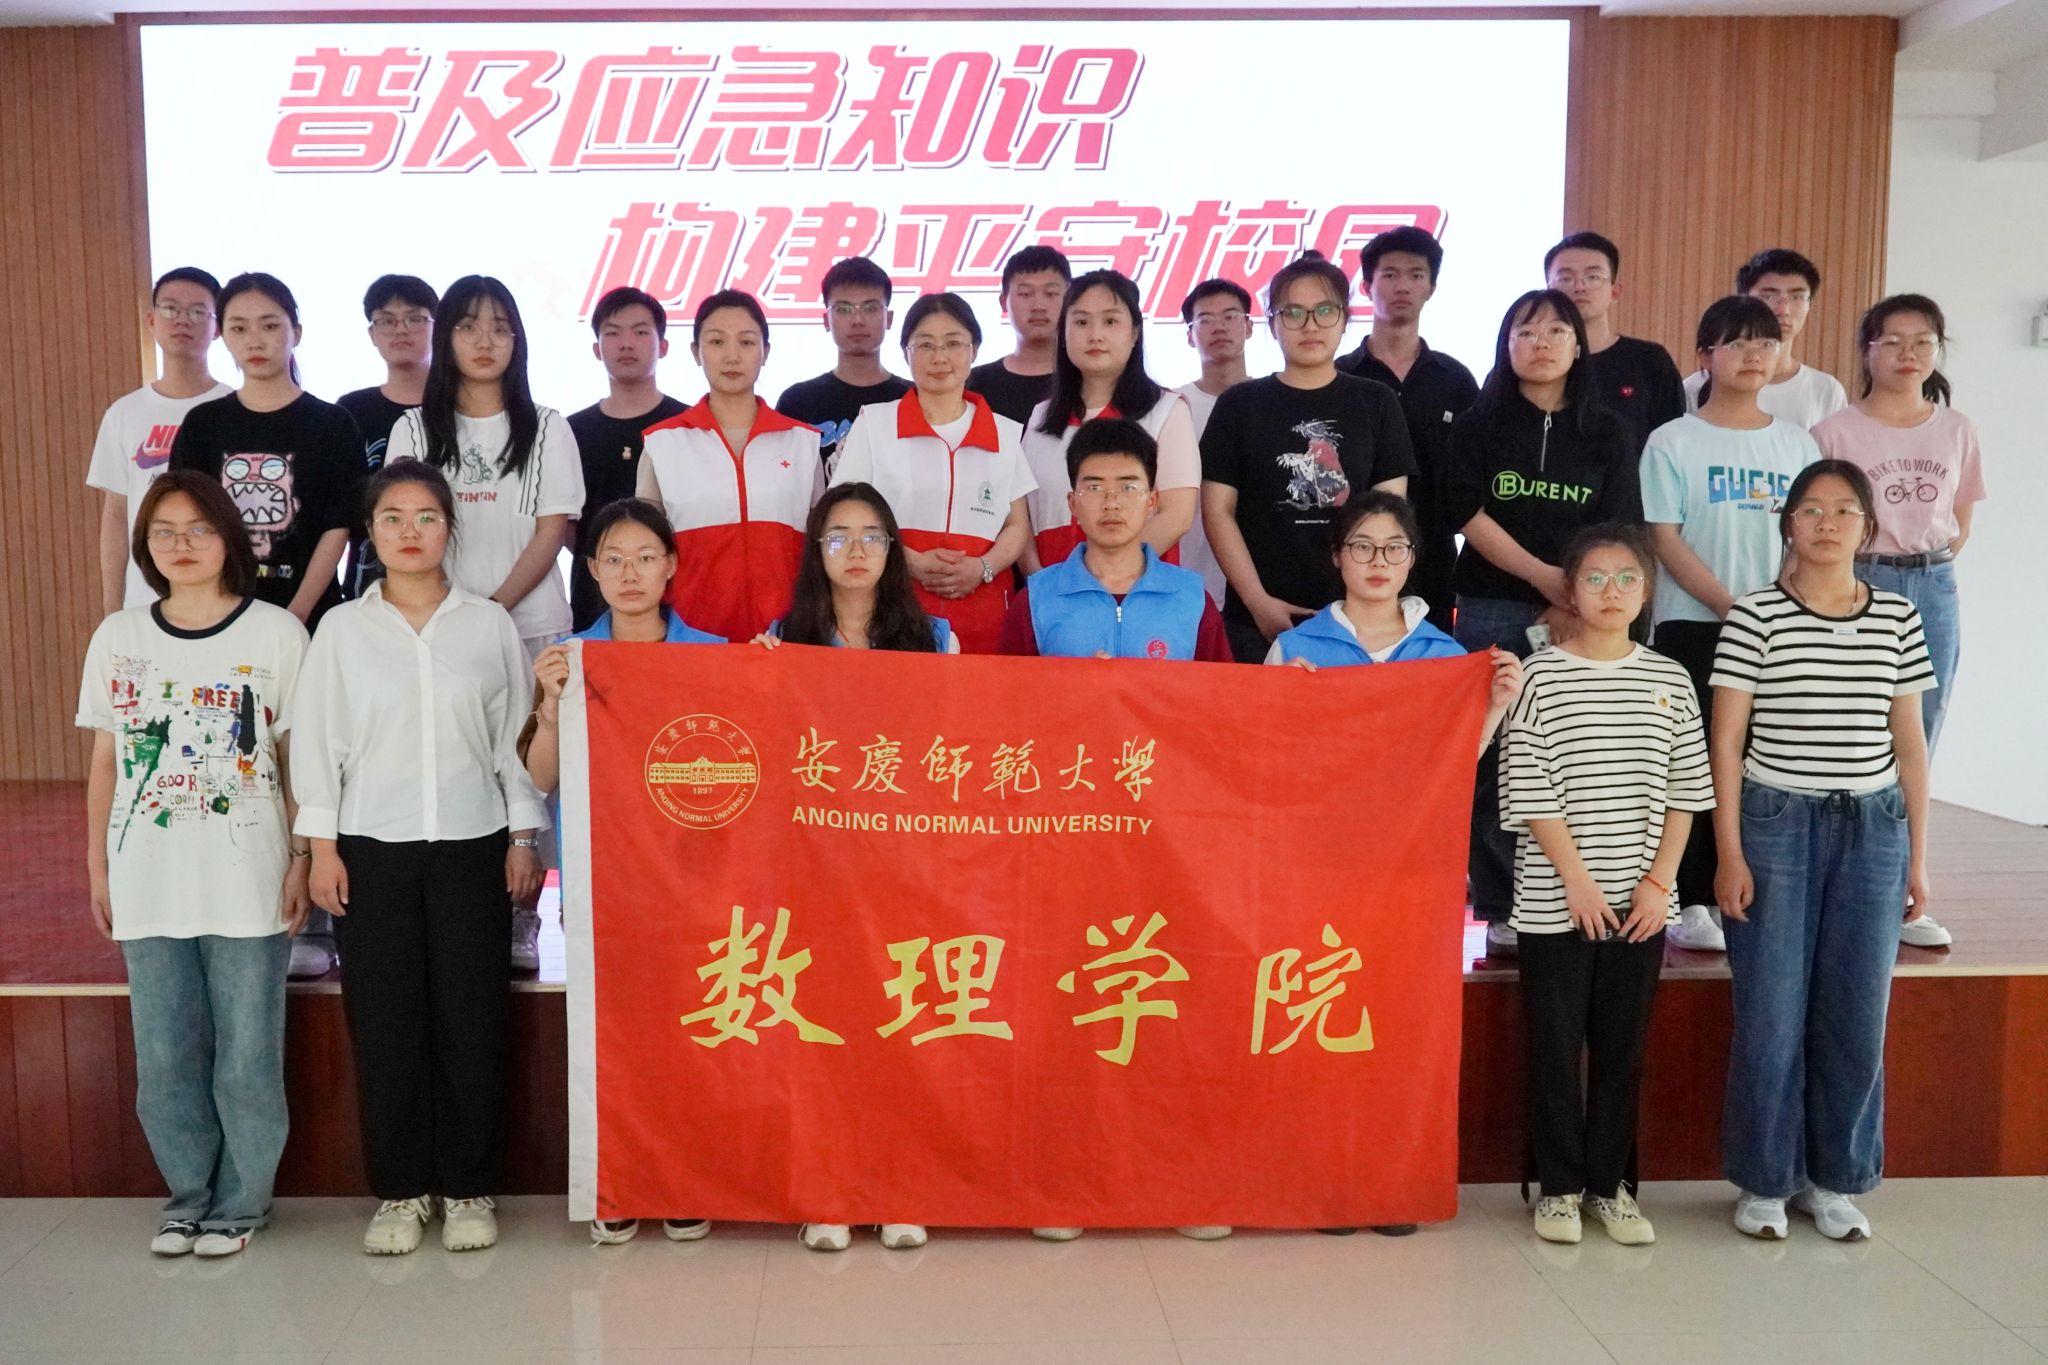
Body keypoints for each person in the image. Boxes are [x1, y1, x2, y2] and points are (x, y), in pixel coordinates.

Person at [294, 462, 547, 1257]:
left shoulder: (487, 624)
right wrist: (322, 848)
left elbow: (514, 740)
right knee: (386, 1022)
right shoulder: (341, 630)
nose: (410, 531)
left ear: (449, 527)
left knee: (474, 1020)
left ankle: (470, 1186)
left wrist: (523, 837)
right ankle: (402, 1190)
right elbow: (318, 741)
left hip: (474, 845)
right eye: (393, 517)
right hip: (371, 847)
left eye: (427, 516)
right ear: (370, 532)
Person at [77, 470, 310, 1259]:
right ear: (145, 545)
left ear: (229, 540)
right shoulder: (118, 637)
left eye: (199, 529)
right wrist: (98, 866)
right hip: (147, 877)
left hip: (249, 878)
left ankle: (242, 1203)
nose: (182, 545)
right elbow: (105, 763)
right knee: (167, 1055)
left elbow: (294, 759)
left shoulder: (277, 633)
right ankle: (186, 1198)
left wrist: (300, 857)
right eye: (164, 532)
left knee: (247, 1055)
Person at [1710, 460, 1934, 1243]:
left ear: (1867, 527)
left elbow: (1910, 743)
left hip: (1873, 827)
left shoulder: (1898, 617)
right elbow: (1726, 740)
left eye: (1844, 510)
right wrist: (1729, 851)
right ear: (1789, 524)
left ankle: (1835, 1178)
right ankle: (1766, 1180)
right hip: (1776, 822)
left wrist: (1917, 857)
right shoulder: (1755, 615)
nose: (1828, 523)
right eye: (1811, 509)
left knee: (1857, 1012)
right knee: (1771, 1013)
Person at [1499, 524, 1712, 1247]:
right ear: (1570, 589)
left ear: (1647, 592)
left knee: (1623, 1050)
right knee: (1556, 1047)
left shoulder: (1669, 679)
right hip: (1555, 901)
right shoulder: (1539, 676)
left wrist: (1658, 884)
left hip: (1642, 903)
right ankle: (1558, 1189)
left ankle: (1610, 1187)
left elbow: (1687, 788)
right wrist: (1578, 883)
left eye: (1626, 579)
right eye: (1594, 578)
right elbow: (1528, 787)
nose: (1610, 591)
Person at [754, 483, 952, 1252]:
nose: (857, 550)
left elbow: (961, 745)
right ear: (817, 552)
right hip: (816, 866)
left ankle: (899, 1185)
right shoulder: (785, 636)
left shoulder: (935, 639)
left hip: (906, 864)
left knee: (903, 1031)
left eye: (872, 535)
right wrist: (757, 676)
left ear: (893, 550)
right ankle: (828, 1191)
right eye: (839, 536)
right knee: (826, 1032)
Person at [520, 497, 720, 1247]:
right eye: (613, 559)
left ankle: (685, 1177)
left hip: (698, 879)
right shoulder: (570, 658)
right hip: (602, 880)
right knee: (614, 1039)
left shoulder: (713, 654)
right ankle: (617, 1180)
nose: (630, 573)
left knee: (693, 1035)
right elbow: (540, 776)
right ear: (592, 570)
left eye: (645, 557)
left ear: (671, 567)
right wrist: (549, 706)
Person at [385, 275, 583, 972]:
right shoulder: (414, 429)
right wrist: (457, 615)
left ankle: (526, 916)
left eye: (501, 328)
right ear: (447, 339)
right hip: (436, 631)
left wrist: (492, 608)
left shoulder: (548, 426)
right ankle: (466, 903)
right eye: (469, 327)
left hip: (531, 626)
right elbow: (405, 524)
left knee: (536, 768)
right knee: (459, 764)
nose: (485, 341)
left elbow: (553, 529)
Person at [1443, 290, 1641, 957]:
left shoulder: (1607, 431)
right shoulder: (1478, 424)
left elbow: (1617, 526)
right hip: (1492, 607)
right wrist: (1543, 578)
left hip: (1585, 613)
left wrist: (1574, 595)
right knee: (1493, 756)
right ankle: (1501, 904)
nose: (1542, 343)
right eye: (1526, 332)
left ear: (1578, 346)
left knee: (1574, 756)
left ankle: (1578, 891)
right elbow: (1465, 513)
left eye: (1557, 331)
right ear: (1506, 345)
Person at [1642, 297, 1822, 955]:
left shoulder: (1797, 443)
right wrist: (1728, 605)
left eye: (1765, 343)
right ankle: (1690, 897)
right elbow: (1664, 536)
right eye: (1737, 342)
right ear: (1704, 357)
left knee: (1762, 758)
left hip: (1777, 625)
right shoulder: (1672, 439)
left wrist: (1777, 607)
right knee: (1691, 760)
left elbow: (1806, 536)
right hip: (1694, 624)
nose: (1753, 354)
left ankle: (1756, 885)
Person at [1813, 295, 1983, 951]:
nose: (1908, 353)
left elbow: (1961, 520)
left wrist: (1925, 565)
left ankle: (1905, 892)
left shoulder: (1957, 428)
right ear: (1867, 351)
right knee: (1852, 728)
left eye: (1923, 341)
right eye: (1892, 341)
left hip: (1934, 582)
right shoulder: (1833, 432)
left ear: (1938, 350)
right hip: (1860, 577)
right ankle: (1845, 884)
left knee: (1921, 731)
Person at [1200, 250, 1416, 664]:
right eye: (1293, 312)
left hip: (1358, 619)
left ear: (1345, 318)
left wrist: (1364, 608)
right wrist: (1258, 602)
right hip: (1256, 618)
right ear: (1272, 323)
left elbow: (1391, 516)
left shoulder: (1376, 401)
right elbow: (1217, 511)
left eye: (1324, 310)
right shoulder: (1239, 404)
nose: (1310, 325)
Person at [831, 292, 1034, 653]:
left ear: (974, 351)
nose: (940, 357)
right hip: (895, 610)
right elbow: (843, 517)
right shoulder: (874, 424)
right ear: (905, 353)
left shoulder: (1004, 432)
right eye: (925, 345)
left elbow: (1017, 525)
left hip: (985, 613)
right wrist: (909, 562)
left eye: (953, 343)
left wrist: (983, 567)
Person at [168, 272, 366, 631]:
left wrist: (297, 615)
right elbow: (186, 520)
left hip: (312, 618)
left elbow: (337, 527)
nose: (255, 341)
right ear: (221, 334)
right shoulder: (202, 424)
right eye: (239, 328)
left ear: (297, 333)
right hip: (216, 615)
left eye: (270, 326)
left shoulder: (333, 424)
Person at [636, 289, 823, 641]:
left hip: (787, 637)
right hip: (693, 637)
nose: (732, 356)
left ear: (765, 352)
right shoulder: (663, 443)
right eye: (717, 342)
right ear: (696, 352)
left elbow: (820, 544)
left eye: (747, 342)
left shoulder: (802, 441)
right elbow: (645, 548)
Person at [1336, 227, 1481, 628]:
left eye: (1416, 275)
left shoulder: (1456, 380)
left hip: (1434, 557)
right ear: (1366, 286)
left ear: (1431, 287)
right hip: (1355, 557)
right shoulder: (1340, 377)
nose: (1403, 286)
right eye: (1390, 274)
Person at [1001, 417, 1230, 661]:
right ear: (1073, 503)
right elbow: (1008, 684)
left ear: (1151, 501)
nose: (1111, 503)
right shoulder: (1035, 600)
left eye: (1128, 488)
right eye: (1094, 488)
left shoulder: (1193, 600)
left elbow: (1221, 685)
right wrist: (1073, 679)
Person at [1019, 270, 1198, 571]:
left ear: (1135, 334)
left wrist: (1097, 578)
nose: (1095, 335)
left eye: (1111, 321)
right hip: (1050, 589)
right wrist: (1042, 583)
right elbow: (1020, 516)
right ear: (1063, 334)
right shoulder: (1041, 416)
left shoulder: (1167, 410)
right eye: (1081, 322)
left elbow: (1177, 517)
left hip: (1136, 589)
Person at [89, 267, 232, 615]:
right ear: (152, 320)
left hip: (225, 593)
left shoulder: (236, 407)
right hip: (145, 600)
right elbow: (116, 514)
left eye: (197, 311)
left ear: (217, 328)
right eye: (170, 309)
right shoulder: (124, 412)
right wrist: (112, 605)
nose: (182, 319)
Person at [566, 286, 687, 633]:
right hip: (594, 596)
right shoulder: (569, 431)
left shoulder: (688, 426)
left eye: (640, 332)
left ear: (663, 346)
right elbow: (565, 527)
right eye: (613, 333)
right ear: (597, 348)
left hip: (676, 596)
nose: (626, 343)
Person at [337, 273, 440, 599]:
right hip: (369, 578)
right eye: (386, 321)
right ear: (372, 333)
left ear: (437, 327)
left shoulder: (462, 407)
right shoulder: (350, 410)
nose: (400, 330)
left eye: (414, 319)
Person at [1544, 232, 1685, 457]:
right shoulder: (1534, 361)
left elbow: (1673, 443)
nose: (1579, 287)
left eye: (1593, 277)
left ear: (1615, 292)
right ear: (1548, 292)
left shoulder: (1650, 361)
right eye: (1565, 278)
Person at [774, 256, 913, 472]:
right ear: (826, 320)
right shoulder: (797, 403)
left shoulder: (912, 399)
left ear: (889, 318)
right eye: (844, 309)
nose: (857, 320)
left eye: (870, 308)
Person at [1684, 250, 1847, 428]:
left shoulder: (1826, 390)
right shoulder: (1694, 388)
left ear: (1810, 304)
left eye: (1797, 297)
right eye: (1769, 296)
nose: (1783, 310)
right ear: (1743, 300)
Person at [1175, 278, 1256, 602]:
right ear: (1189, 336)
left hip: (1263, 582)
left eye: (1230, 316)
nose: (1219, 327)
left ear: (1249, 326)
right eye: (1205, 320)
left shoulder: (1275, 401)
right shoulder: (1171, 407)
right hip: (1190, 579)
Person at [967, 245, 1071, 424]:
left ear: (1070, 299)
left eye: (1051, 293)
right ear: (1003, 302)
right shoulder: (973, 385)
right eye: (1025, 294)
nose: (1038, 306)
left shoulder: (1089, 380)